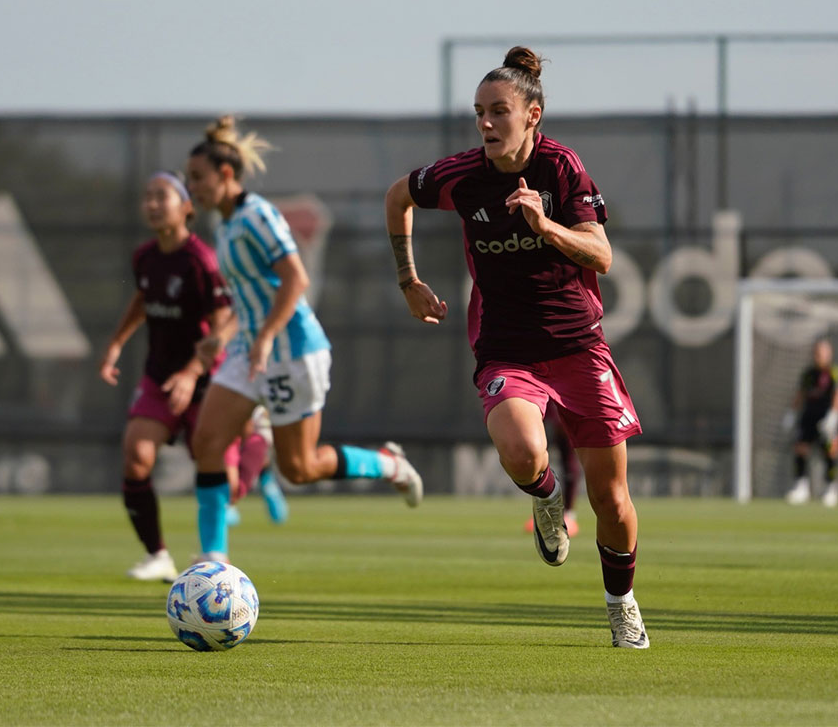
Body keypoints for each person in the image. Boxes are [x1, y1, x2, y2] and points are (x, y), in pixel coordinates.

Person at [385, 47, 648, 649]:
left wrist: (546, 227)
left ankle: (621, 602)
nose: (485, 124)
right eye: (478, 112)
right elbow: (397, 197)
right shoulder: (460, 176)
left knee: (612, 498)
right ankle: (547, 499)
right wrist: (409, 280)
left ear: (533, 114)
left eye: (498, 111)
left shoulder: (562, 170)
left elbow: (602, 255)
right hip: (507, 348)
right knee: (524, 451)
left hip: (579, 345)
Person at [185, 115, 423, 563]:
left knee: (300, 467)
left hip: (292, 352)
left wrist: (265, 337)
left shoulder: (257, 216)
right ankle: (213, 562)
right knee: (208, 441)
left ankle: (390, 464)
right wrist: (222, 337)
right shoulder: (223, 226)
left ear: (226, 175)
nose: (191, 187)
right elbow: (252, 297)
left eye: (197, 178)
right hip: (249, 349)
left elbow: (296, 280)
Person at [98, 172, 286, 582]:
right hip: (160, 378)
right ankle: (158, 556)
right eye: (146, 196)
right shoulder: (145, 256)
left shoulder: (202, 260)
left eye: (161, 196)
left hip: (209, 381)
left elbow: (225, 327)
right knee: (136, 457)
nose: (151, 203)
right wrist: (116, 344)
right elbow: (143, 299)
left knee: (226, 486)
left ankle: (258, 448)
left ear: (186, 206)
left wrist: (192, 371)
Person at [781, 338, 838, 507]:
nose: (818, 356)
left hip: (826, 419)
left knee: (830, 451)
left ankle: (832, 488)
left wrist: (833, 417)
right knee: (800, 448)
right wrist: (791, 414)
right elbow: (800, 395)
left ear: (828, 354)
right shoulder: (808, 374)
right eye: (816, 352)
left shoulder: (834, 372)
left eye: (821, 352)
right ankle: (801, 487)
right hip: (808, 416)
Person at [523, 403, 581, 536]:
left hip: (562, 400)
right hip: (544, 399)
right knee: (536, 457)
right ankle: (544, 510)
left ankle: (568, 514)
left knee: (568, 459)